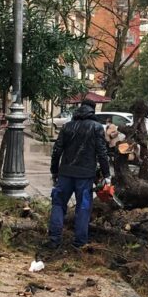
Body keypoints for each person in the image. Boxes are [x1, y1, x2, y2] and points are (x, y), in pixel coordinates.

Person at [48, 100, 109, 249]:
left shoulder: (67, 126)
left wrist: (54, 170)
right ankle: (79, 242)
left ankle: (54, 239)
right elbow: (102, 152)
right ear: (92, 111)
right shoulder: (97, 127)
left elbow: (57, 150)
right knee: (83, 207)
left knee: (58, 204)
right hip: (85, 175)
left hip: (65, 173)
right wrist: (107, 174)